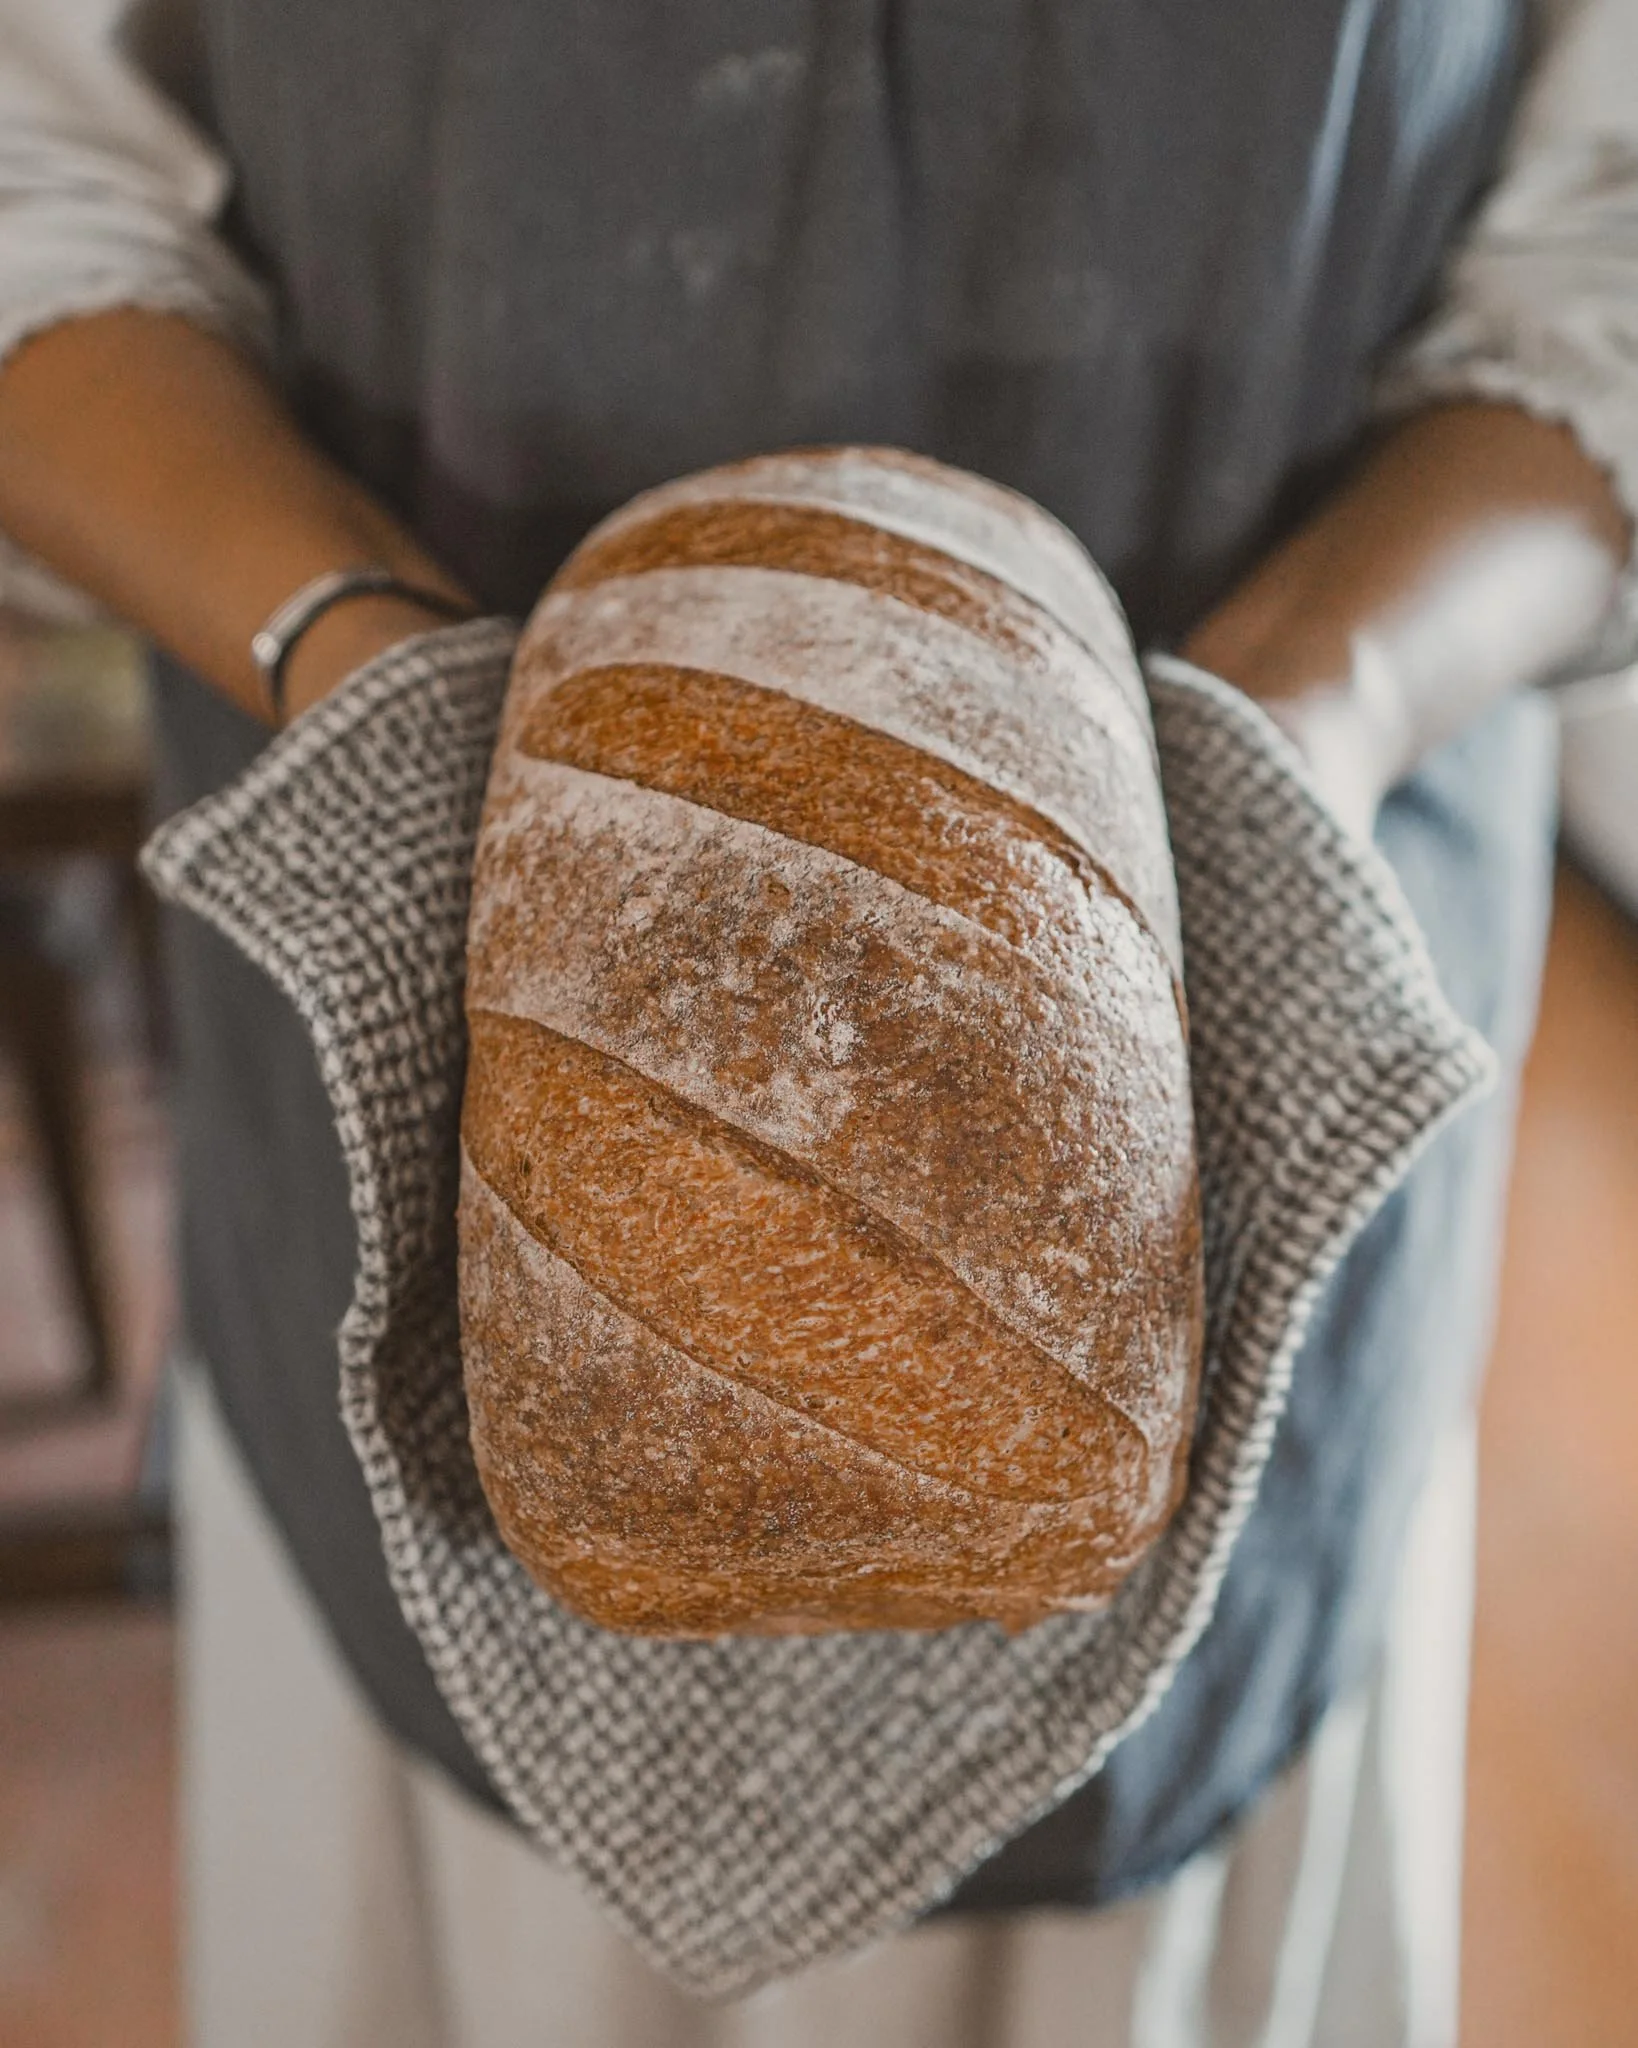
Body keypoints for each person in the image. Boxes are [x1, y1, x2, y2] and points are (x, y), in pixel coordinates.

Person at [1, 3, 1635, 2041]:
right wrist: (379, 678)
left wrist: (1316, 705)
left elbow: (1614, 241)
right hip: (450, 1185)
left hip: (1234, 1086)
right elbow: (29, 184)